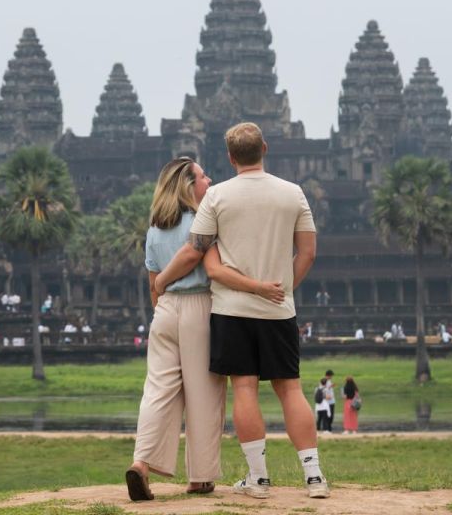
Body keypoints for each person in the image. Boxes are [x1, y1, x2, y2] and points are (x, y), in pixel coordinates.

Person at [155, 122, 330, 499]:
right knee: (290, 389)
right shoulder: (293, 192)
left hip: (231, 310)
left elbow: (194, 250)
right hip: (278, 309)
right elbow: (309, 253)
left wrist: (160, 280)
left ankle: (258, 478)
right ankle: (314, 477)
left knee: (245, 389)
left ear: (231, 157)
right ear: (264, 148)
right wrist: (283, 290)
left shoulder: (216, 196)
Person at [127, 157, 284, 502]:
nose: (209, 180)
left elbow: (153, 284)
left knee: (157, 391)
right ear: (188, 186)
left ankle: (141, 463)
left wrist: (163, 306)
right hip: (199, 306)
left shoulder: (154, 227)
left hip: (164, 310)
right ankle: (200, 477)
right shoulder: (202, 220)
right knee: (205, 394)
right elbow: (196, 259)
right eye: (201, 177)